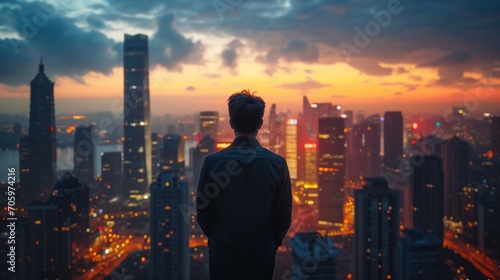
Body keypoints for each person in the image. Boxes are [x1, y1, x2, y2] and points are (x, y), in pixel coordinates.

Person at [196, 90, 292, 280]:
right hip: (261, 257)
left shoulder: (213, 163)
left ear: (231, 123)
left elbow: (203, 213)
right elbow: (283, 216)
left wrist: (219, 240)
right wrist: (270, 243)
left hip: (223, 255)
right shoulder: (277, 164)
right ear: (260, 124)